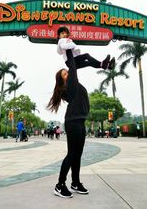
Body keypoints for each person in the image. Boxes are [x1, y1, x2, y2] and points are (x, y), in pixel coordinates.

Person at [47, 49, 90, 198]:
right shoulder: (69, 86)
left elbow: (73, 66)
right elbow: (72, 65)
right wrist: (68, 49)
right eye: (65, 74)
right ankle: (59, 185)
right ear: (63, 80)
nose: (68, 73)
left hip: (80, 121)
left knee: (77, 155)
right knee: (72, 154)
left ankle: (75, 183)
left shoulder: (73, 84)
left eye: (67, 72)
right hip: (73, 123)